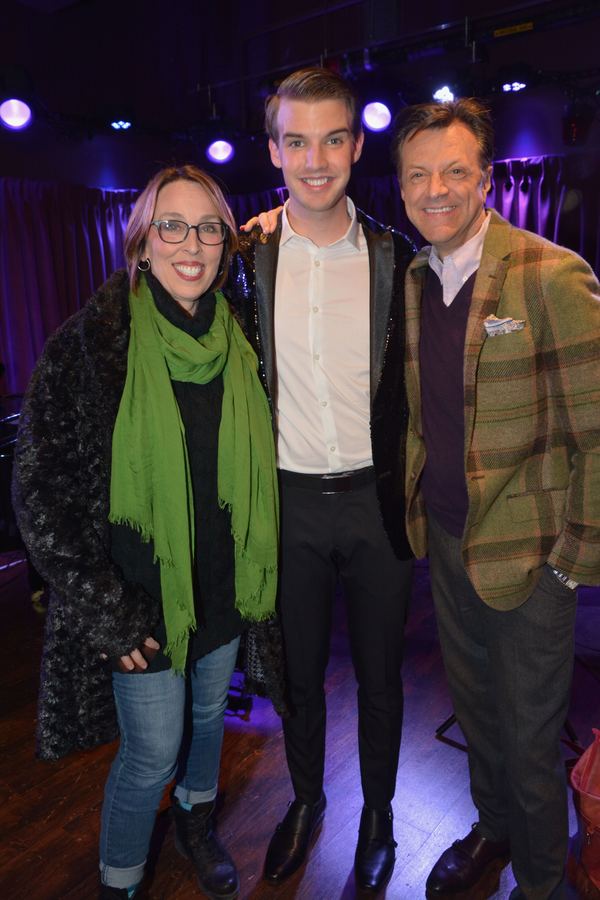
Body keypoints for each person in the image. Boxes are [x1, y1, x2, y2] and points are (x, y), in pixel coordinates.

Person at [12, 165, 283, 900]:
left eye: (206, 228)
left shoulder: (242, 340)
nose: (189, 244)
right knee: (150, 753)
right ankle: (121, 880)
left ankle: (197, 823)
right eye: (171, 225)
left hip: (222, 587)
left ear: (225, 245)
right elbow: (40, 496)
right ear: (140, 242)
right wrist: (107, 610)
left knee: (205, 721)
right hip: (137, 604)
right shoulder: (89, 346)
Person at [393, 97, 600, 899]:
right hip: (446, 542)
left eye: (453, 170)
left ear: (484, 175)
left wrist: (569, 567)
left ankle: (541, 881)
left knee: (529, 732)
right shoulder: (415, 278)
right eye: (417, 175)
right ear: (402, 187)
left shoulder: (551, 274)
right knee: (476, 713)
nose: (435, 189)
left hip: (536, 559)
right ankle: (495, 830)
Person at [229, 66, 415, 893]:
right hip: (287, 503)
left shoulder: (393, 255)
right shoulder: (245, 253)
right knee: (297, 676)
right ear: (273, 149)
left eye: (331, 138)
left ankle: (378, 814)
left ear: (356, 144)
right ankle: (307, 802)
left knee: (381, 678)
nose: (314, 159)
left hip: (375, 505)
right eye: (295, 140)